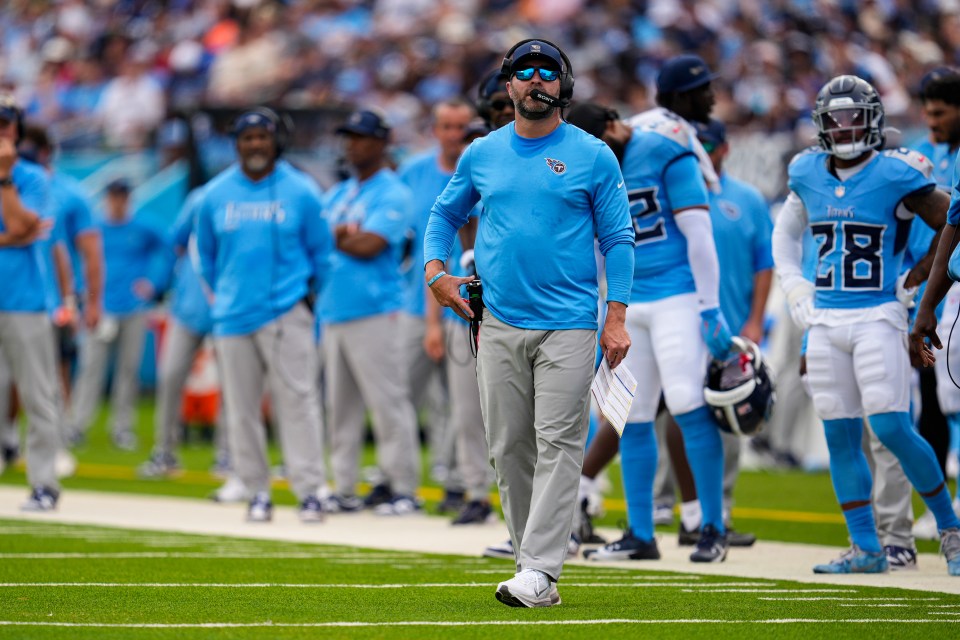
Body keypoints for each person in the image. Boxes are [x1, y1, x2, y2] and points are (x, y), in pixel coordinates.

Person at [424, 39, 634, 608]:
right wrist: (435, 272)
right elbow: (445, 214)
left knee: (559, 442)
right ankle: (529, 561)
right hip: (496, 320)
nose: (535, 81)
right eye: (524, 72)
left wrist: (615, 318)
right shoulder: (482, 152)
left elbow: (618, 240)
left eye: (546, 72)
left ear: (562, 85)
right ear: (508, 85)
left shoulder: (593, 155)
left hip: (569, 322)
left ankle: (542, 567)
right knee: (508, 446)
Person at [774, 75, 960, 574]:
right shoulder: (806, 170)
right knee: (840, 435)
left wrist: (913, 279)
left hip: (878, 313)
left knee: (892, 427)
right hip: (827, 318)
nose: (846, 126)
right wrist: (795, 288)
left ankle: (951, 531)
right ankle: (867, 547)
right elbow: (785, 236)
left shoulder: (898, 173)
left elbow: (951, 223)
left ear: (874, 120)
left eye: (855, 116)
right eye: (836, 118)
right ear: (821, 124)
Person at [569, 55, 735, 566]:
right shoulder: (587, 165)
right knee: (630, 415)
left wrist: (710, 308)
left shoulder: (665, 147)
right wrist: (599, 309)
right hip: (626, 301)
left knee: (685, 401)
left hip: (677, 294)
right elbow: (595, 249)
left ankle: (711, 525)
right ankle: (640, 532)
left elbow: (699, 233)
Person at [195, 107, 329, 524]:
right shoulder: (214, 194)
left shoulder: (301, 190)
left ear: (277, 142)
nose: (255, 145)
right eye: (248, 138)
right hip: (232, 318)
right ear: (236, 144)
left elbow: (322, 254)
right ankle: (256, 491)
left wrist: (305, 302)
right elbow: (207, 256)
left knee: (298, 402)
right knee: (240, 409)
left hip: (286, 312)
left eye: (263, 138)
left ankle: (309, 491)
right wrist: (224, 299)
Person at [319, 108, 422, 516]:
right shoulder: (339, 192)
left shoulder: (393, 191)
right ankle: (343, 487)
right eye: (348, 137)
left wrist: (336, 237)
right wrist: (338, 236)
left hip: (377, 310)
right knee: (339, 409)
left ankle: (403, 489)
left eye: (360, 137)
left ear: (381, 143)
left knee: (388, 403)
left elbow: (370, 245)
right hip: (333, 310)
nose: (351, 144)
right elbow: (313, 242)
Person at [398, 98, 474, 512]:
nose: (453, 135)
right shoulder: (413, 171)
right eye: (446, 126)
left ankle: (456, 479)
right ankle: (402, 481)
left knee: (458, 404)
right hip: (415, 303)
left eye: (460, 127)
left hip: (461, 307)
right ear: (435, 130)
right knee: (404, 396)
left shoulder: (477, 172)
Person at [66, 177, 169, 451]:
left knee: (129, 370)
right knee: (90, 369)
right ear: (107, 198)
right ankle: (77, 425)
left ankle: (122, 428)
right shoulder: (95, 227)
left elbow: (170, 247)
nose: (118, 201)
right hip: (99, 307)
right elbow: (76, 258)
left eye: (122, 196)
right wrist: (81, 293)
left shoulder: (143, 226)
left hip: (133, 308)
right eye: (114, 196)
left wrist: (153, 283)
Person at [0, 92, 62, 510]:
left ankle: (45, 483)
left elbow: (27, 227)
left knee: (37, 394)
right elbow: (18, 233)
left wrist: (4, 179)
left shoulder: (33, 177)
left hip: (24, 300)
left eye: (6, 127)